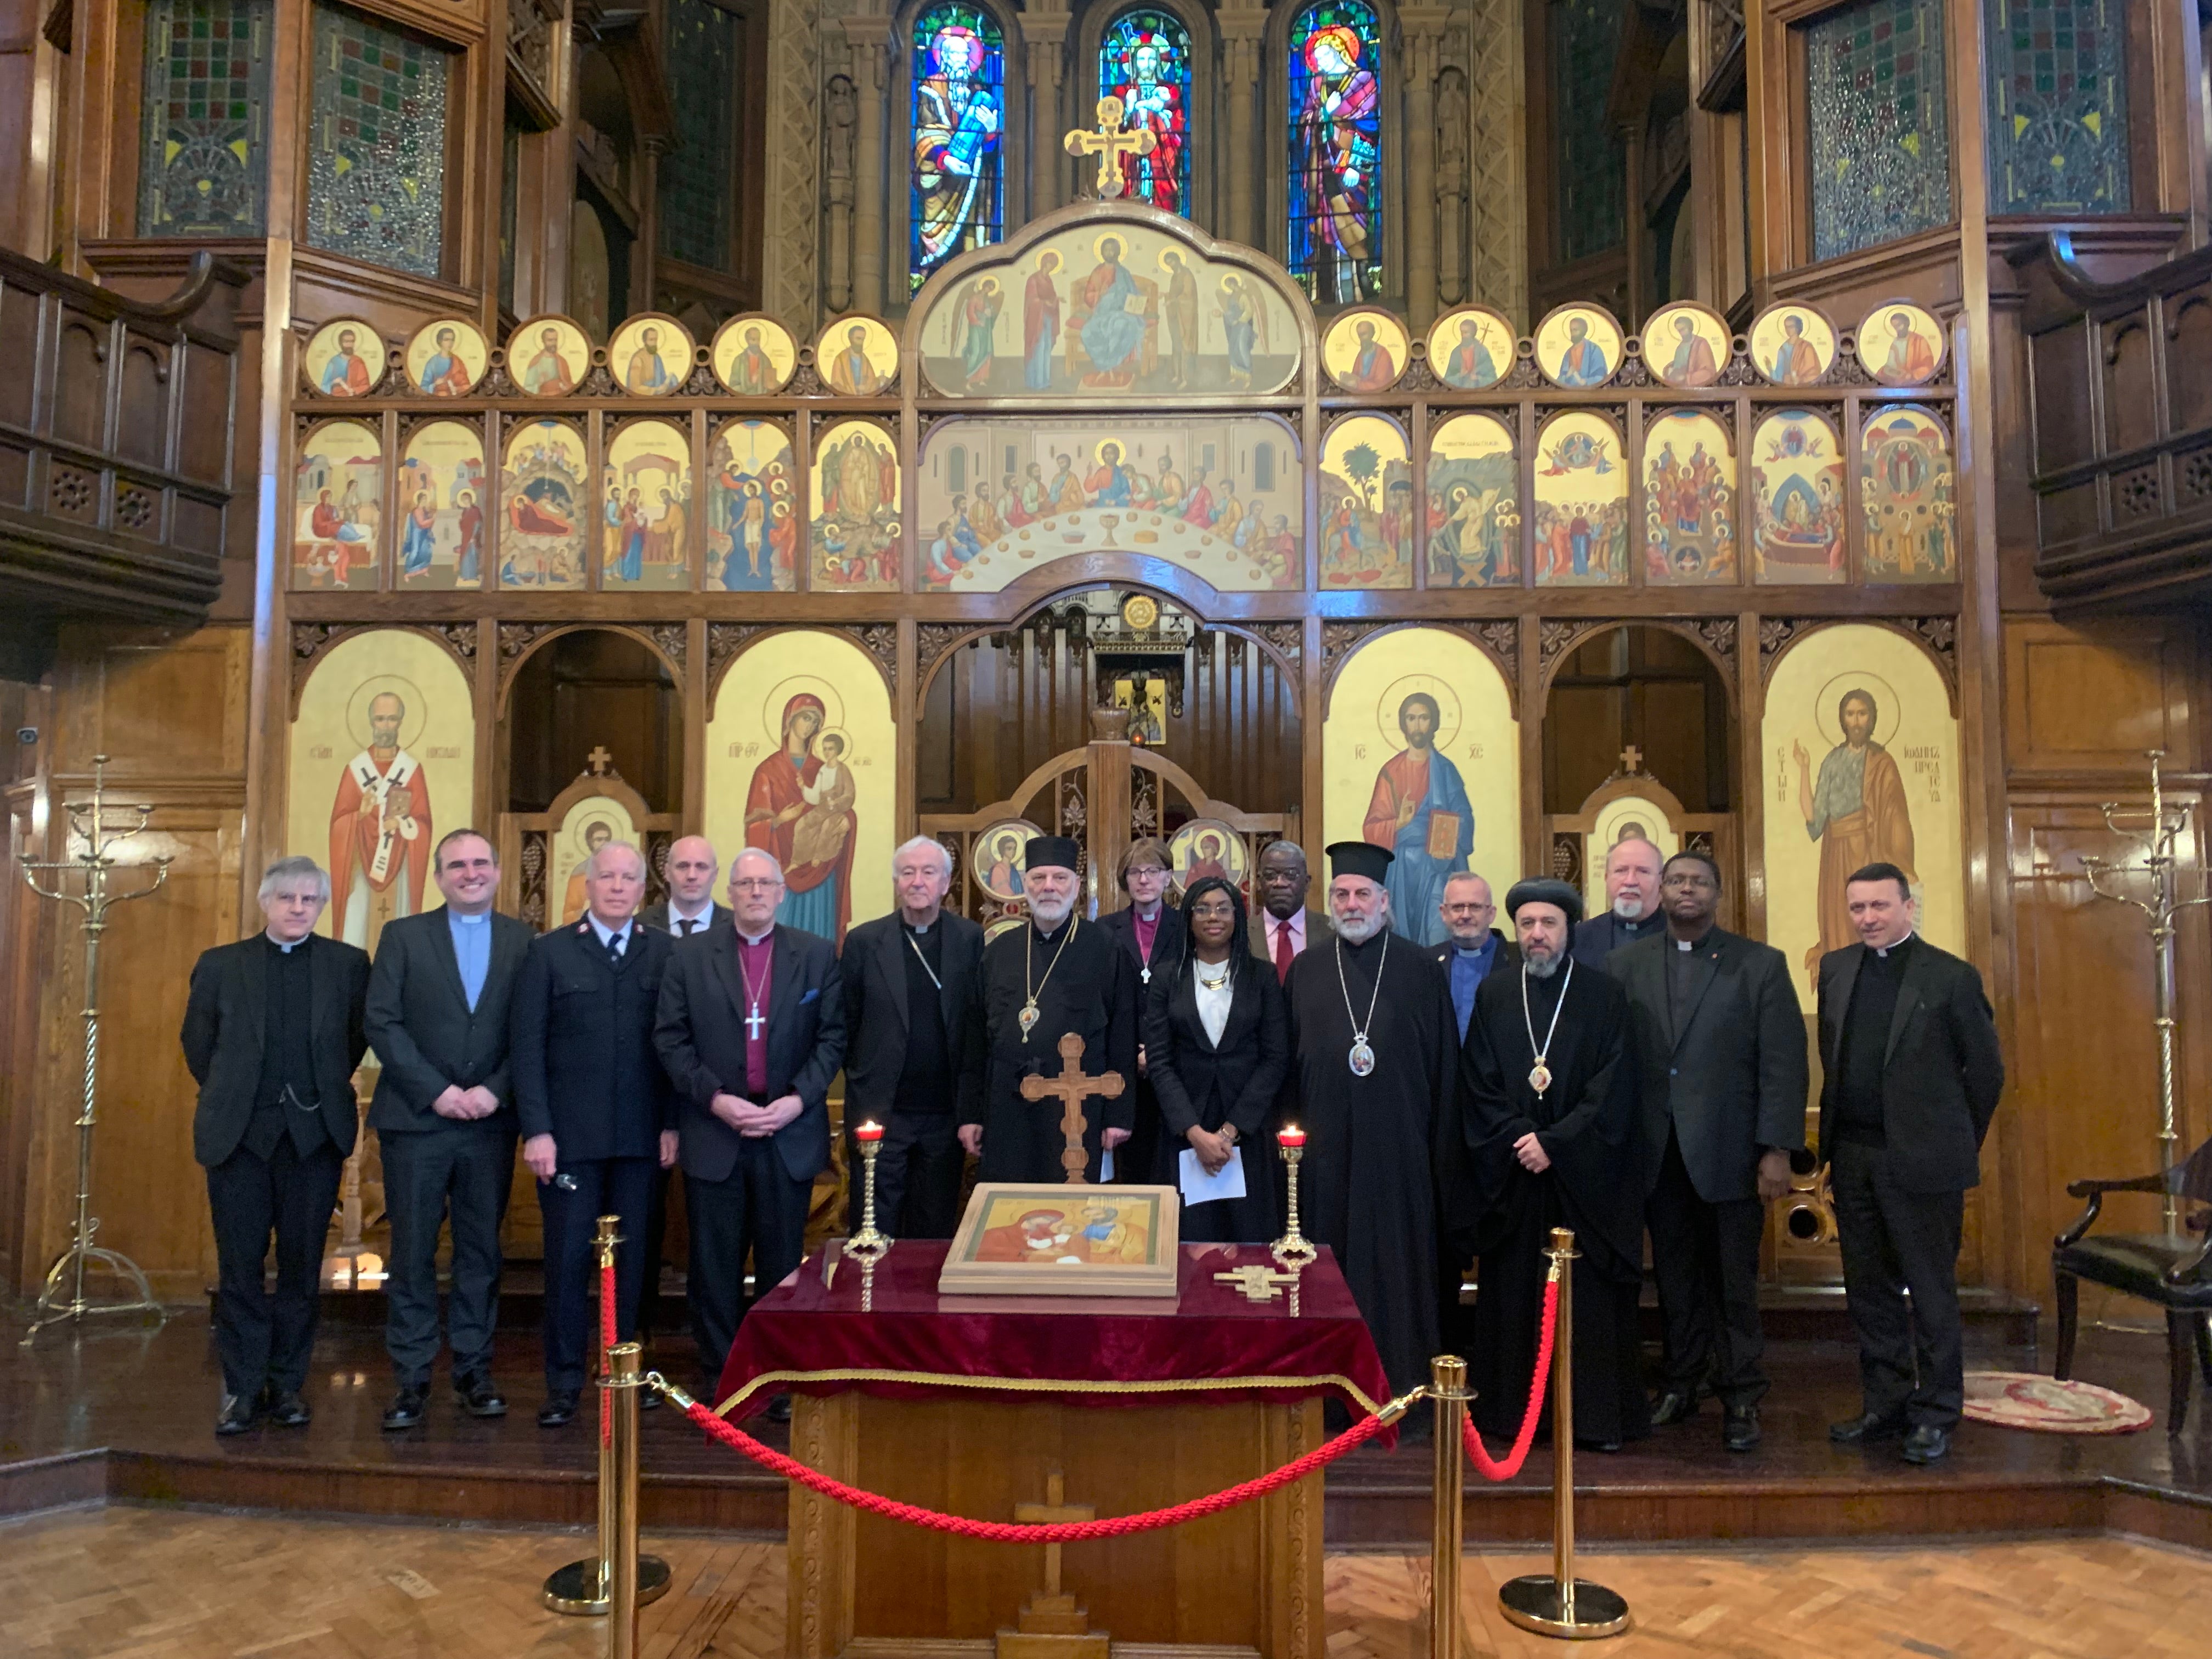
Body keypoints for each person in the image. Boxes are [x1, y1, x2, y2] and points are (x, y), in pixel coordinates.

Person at [1609, 850, 1806, 1453]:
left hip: (1732, 1153)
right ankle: (1682, 1380)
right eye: (1676, 881)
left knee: (1733, 1283)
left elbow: (1783, 1064)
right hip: (1657, 1154)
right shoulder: (1625, 965)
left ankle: (1742, 1392)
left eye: (1698, 881)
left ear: (1719, 894)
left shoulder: (1759, 966)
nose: (1686, 889)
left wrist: (1777, 1150)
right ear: (1660, 892)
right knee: (1674, 1278)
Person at [1818, 862, 2004, 1466]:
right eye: (1858, 908)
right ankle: (1886, 1403)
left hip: (1923, 1163)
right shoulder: (1838, 970)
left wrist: (1951, 1144)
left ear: (1908, 906)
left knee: (1929, 1290)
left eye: (1879, 906)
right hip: (1854, 1157)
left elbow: (1987, 1074)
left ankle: (1937, 1412)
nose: (1868, 918)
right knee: (1867, 1289)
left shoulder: (1950, 977)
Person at [180, 856, 371, 1435]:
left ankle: (287, 1385)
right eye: (287, 898)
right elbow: (198, 1045)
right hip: (237, 1139)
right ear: (265, 902)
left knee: (300, 1267)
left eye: (309, 900)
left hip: (313, 1141)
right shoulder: (220, 965)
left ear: (321, 906)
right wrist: (237, 1096)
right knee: (239, 1268)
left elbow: (354, 1042)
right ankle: (241, 1389)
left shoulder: (347, 965)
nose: (297, 908)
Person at [1459, 878, 1649, 1451]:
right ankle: (1514, 1417)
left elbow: (1613, 1091)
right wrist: (1521, 1137)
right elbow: (1479, 1084)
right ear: (1515, 931)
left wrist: (1557, 1144)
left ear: (1568, 931)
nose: (1537, 935)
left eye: (1549, 925)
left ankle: (1592, 1420)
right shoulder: (1494, 995)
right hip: (1516, 1181)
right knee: (1515, 1299)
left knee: (1585, 1304)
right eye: (1527, 925)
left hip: (1581, 1185)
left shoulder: (1604, 996)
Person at [654, 848, 847, 1390]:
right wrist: (716, 1100)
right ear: (730, 892)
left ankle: (776, 1371)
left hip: (788, 1130)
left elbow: (833, 1038)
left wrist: (796, 1101)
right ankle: (723, 1373)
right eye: (745, 884)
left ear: (783, 892)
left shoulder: (815, 956)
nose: (756, 892)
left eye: (766, 883)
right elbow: (670, 1038)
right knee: (713, 1265)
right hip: (716, 1129)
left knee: (783, 1264)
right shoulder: (689, 956)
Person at [363, 830, 534, 1430]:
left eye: (480, 863)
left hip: (490, 1121)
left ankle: (473, 1370)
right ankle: (411, 1379)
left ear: (496, 871)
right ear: (439, 877)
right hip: (416, 1122)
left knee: (480, 1252)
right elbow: (381, 1021)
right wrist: (437, 1091)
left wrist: (494, 1088)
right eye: (457, 865)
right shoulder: (403, 937)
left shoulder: (522, 940)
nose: (470, 873)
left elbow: (532, 1029)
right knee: (411, 1253)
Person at [509, 839, 680, 1427]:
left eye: (627, 878)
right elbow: (526, 1049)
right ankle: (562, 1384)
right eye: (605, 877)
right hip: (569, 1143)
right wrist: (538, 1130)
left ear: (642, 891)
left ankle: (626, 1371)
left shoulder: (664, 953)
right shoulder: (550, 953)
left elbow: (676, 1047)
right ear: (586, 884)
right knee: (564, 1265)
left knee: (634, 1267)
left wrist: (672, 1124)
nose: (615, 887)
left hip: (641, 1140)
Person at [1283, 842, 1460, 1395]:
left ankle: (1400, 1387)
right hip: (1325, 1154)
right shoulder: (1308, 969)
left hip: (1401, 1155)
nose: (1352, 904)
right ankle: (1329, 1394)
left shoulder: (1420, 969)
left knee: (1398, 1272)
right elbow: (1288, 1070)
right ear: (1329, 901)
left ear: (1385, 902)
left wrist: (1438, 1157)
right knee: (1327, 1265)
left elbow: (1445, 1070)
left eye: (1363, 894)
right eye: (1342, 894)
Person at [960, 837, 1139, 1184]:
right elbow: (975, 1038)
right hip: (1007, 1107)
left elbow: (1123, 1033)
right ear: (1024, 885)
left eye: (1060, 878)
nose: (1049, 888)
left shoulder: (1104, 948)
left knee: (1075, 1213)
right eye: (1038, 878)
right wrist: (970, 1113)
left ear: (1076, 888)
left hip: (1077, 1107)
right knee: (1010, 1213)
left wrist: (1119, 1114)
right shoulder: (1000, 951)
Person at [839, 837, 985, 1238]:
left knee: (934, 1227)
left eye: (928, 872)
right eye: (908, 872)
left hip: (945, 1116)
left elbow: (976, 1027)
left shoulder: (969, 939)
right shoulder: (864, 942)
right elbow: (845, 1023)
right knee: (874, 1226)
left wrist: (972, 1108)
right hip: (882, 1113)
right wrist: (863, 1081)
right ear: (896, 882)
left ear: (946, 883)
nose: (917, 881)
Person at [1143, 877, 1287, 1243]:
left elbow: (1274, 1058)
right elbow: (1159, 1061)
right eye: (1203, 908)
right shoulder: (1166, 978)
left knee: (1248, 1240)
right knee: (1186, 1241)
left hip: (1245, 1131)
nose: (1214, 917)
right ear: (1189, 918)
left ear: (1237, 916)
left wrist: (1228, 1132)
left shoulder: (1262, 977)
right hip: (1184, 1130)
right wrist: (1195, 1133)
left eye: (1224, 908)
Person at [1098, 839, 1186, 1185]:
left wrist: (1159, 1052)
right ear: (1125, 880)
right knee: (1132, 1169)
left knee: (1172, 1165)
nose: (1144, 879)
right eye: (1135, 872)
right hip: (1124, 1066)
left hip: (1175, 1063)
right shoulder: (1105, 930)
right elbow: (1103, 998)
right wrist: (1130, 1053)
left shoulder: (1186, 928)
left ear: (1168, 877)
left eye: (1153, 871)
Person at [1431, 872, 1514, 1043]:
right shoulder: (1426, 963)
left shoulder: (1518, 961)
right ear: (1444, 913)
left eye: (1475, 907)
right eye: (1458, 907)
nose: (1466, 915)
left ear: (1491, 914)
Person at [1571, 835, 1663, 969]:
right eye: (1621, 871)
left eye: (1643, 871)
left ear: (1662, 880)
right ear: (1606, 878)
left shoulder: (1681, 935)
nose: (1630, 881)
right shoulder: (1578, 938)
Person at [1250, 839, 1331, 982]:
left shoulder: (1331, 932)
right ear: (1258, 882)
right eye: (1270, 875)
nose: (1279, 883)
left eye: (1291, 874)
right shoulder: (1241, 934)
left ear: (1306, 883)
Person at [638, 834, 732, 938]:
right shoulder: (641, 925)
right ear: (667, 872)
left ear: (715, 874)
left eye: (701, 867)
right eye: (683, 866)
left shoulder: (736, 927)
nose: (692, 876)